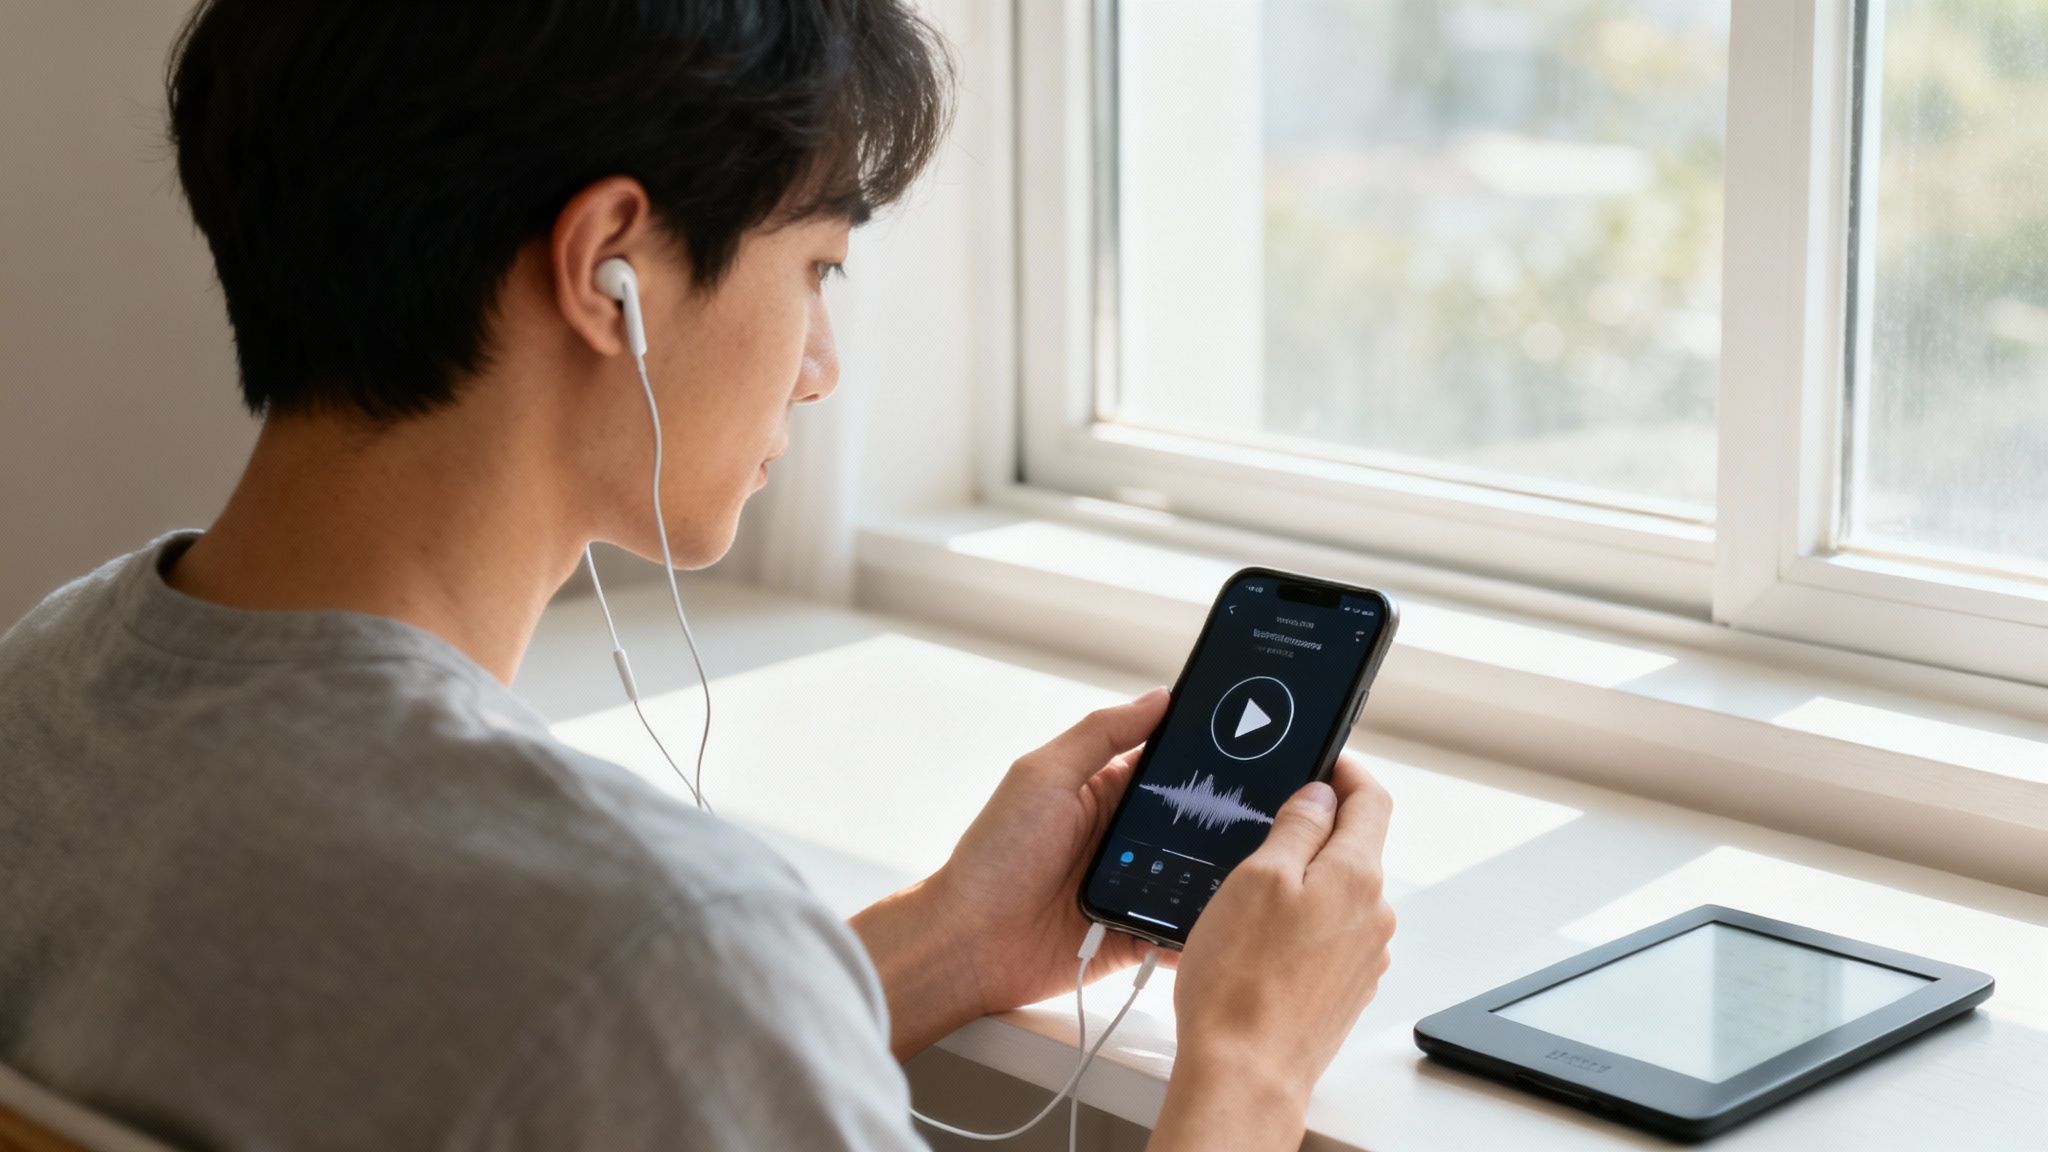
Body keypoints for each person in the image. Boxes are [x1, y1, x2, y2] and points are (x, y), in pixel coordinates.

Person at [0, 2, 1398, 1149]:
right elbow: (634, 997)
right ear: (608, 266)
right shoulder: (660, 946)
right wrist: (1248, 1073)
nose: (821, 366)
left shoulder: (43, 686)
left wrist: (946, 949)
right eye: (820, 268)